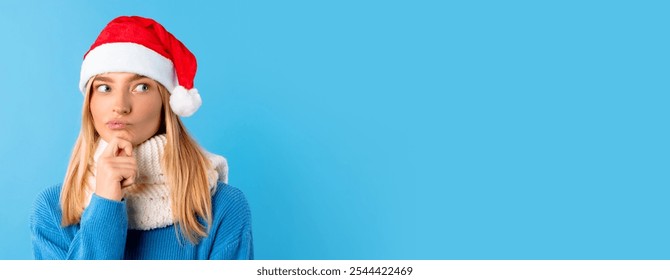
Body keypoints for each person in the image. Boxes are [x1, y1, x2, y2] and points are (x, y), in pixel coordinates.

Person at [29, 15, 254, 259]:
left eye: (141, 87)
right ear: (90, 103)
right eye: (104, 88)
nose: (120, 106)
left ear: (165, 102)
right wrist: (105, 202)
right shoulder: (54, 210)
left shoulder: (222, 207)